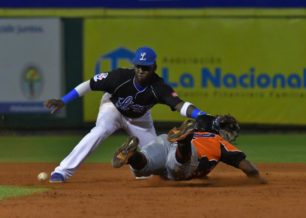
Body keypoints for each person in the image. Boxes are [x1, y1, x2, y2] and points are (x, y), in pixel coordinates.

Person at [44, 46, 206, 183]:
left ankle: (135, 158)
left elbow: (180, 105)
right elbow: (89, 84)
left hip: (140, 119)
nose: (141, 71)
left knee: (156, 160)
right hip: (112, 109)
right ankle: (62, 171)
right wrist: (64, 100)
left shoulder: (159, 87)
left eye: (146, 67)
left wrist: (201, 115)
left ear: (154, 67)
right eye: (138, 66)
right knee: (100, 131)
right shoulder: (119, 77)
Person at [112, 114, 266, 183]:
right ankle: (183, 142)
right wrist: (258, 179)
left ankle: (132, 156)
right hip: (186, 153)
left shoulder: (201, 133)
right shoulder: (217, 140)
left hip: (165, 139)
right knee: (179, 165)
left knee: (142, 167)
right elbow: (249, 169)